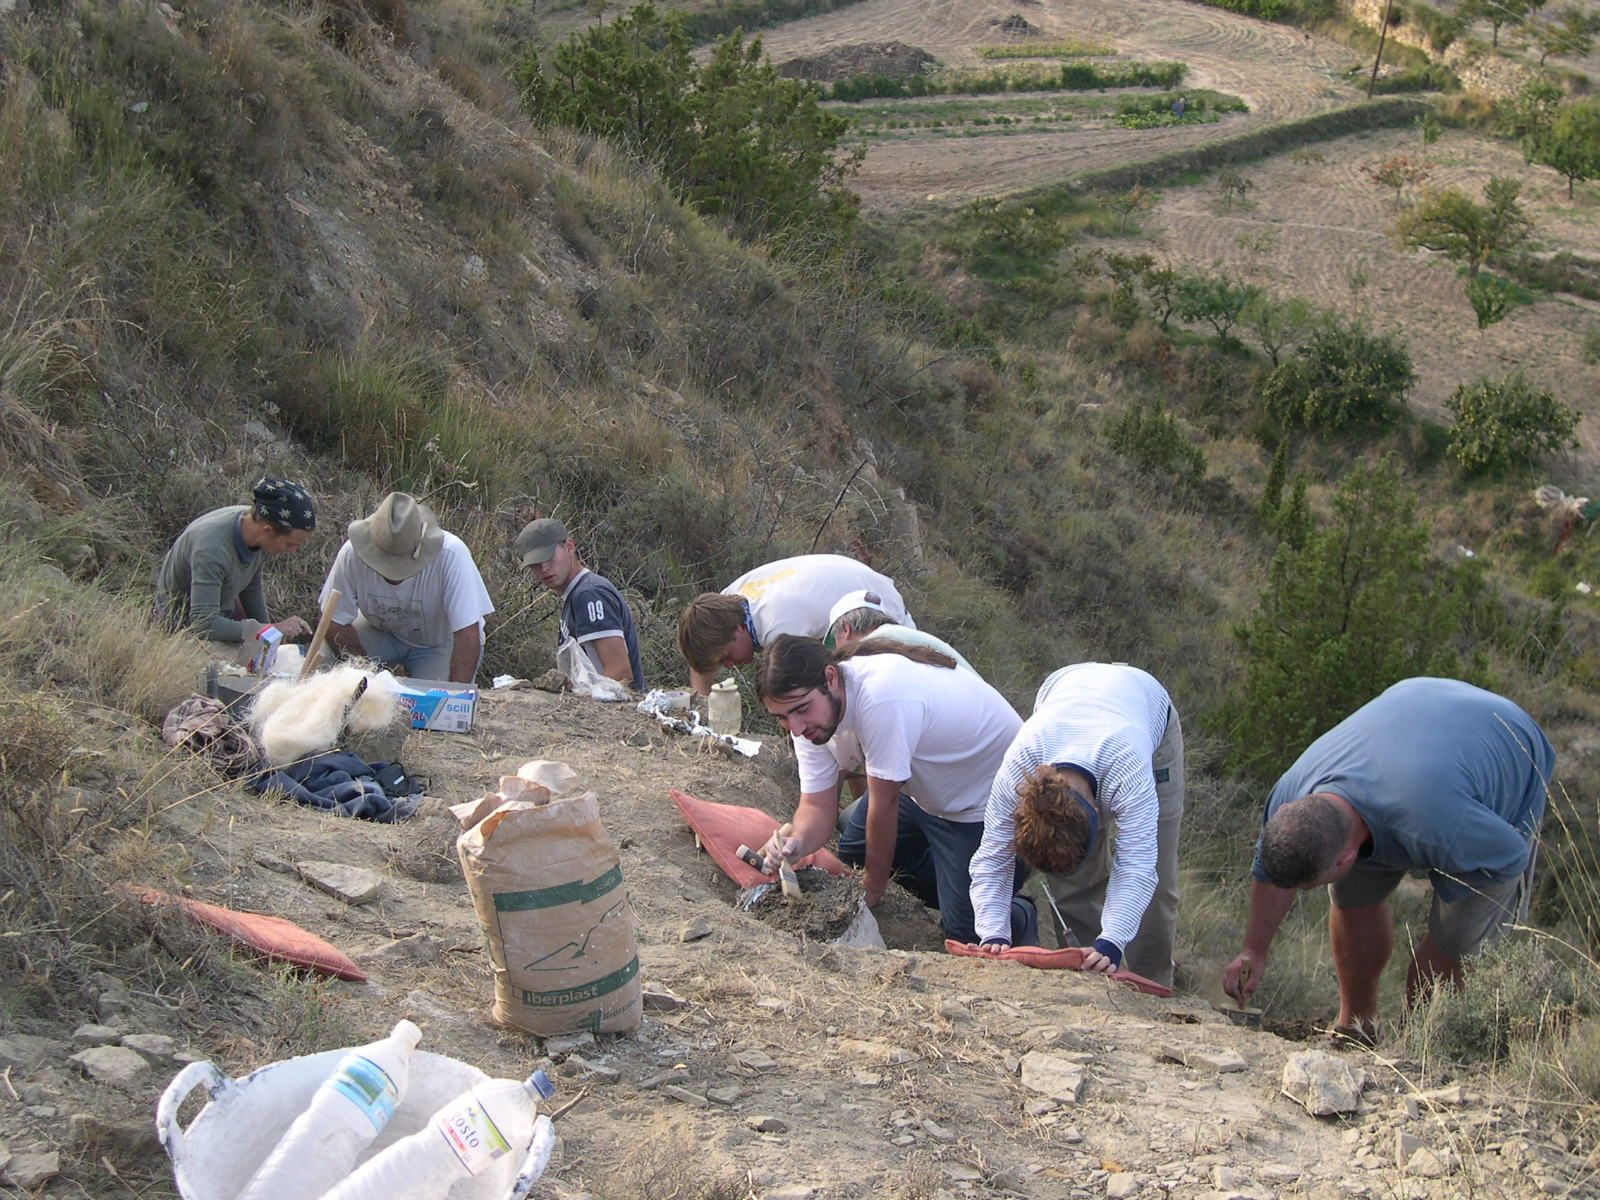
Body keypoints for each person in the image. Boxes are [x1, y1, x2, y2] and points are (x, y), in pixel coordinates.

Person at [1223, 678, 1554, 1041]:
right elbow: (1272, 877)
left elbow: (1510, 856)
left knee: (1455, 945)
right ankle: (1356, 1028)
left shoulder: (1438, 825)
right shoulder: (1291, 796)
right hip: (1418, 711)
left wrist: (1450, 917)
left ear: (1346, 858)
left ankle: (1420, 1045)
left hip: (1509, 745)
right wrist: (1254, 950)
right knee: (1352, 902)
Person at [755, 635, 1037, 946]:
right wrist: (798, 842)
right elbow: (817, 806)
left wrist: (873, 891)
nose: (795, 728)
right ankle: (954, 879)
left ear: (831, 678)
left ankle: (1015, 908)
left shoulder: (881, 698)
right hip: (924, 790)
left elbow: (883, 804)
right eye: (782, 717)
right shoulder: (814, 722)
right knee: (855, 849)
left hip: (988, 803)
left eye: (801, 709)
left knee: (966, 931)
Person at [967, 663, 1183, 989]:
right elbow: (992, 857)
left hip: (1148, 713)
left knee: (1158, 884)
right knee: (1073, 885)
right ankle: (1090, 976)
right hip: (1063, 687)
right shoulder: (1017, 770)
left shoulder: (1128, 767)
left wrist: (1112, 940)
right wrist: (993, 931)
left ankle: (1149, 982)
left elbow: (1137, 866)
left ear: (1097, 809)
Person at [318, 493, 493, 684]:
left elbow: (467, 633)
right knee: (324, 662)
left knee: (433, 705)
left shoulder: (451, 554)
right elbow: (334, 621)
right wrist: (365, 676)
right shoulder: (351, 554)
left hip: (440, 643)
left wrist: (453, 698)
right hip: (380, 632)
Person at [678, 554, 912, 694]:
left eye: (726, 656)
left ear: (738, 629)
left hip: (884, 615)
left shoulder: (779, 628)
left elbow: (802, 693)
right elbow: (700, 658)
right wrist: (704, 711)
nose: (730, 665)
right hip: (854, 584)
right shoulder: (729, 601)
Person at [155, 476, 317, 645]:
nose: (292, 551)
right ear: (267, 531)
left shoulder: (258, 528)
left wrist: (270, 638)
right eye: (290, 544)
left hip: (220, 614)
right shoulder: (212, 550)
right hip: (180, 629)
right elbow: (204, 624)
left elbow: (251, 587)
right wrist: (270, 630)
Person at [515, 517, 644, 691]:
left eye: (549, 557)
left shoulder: (590, 594)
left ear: (569, 547)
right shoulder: (578, 594)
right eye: (536, 564)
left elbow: (620, 673)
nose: (544, 568)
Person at [826, 589, 975, 674]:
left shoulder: (877, 647)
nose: (837, 650)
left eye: (834, 641)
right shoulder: (901, 636)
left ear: (846, 629)